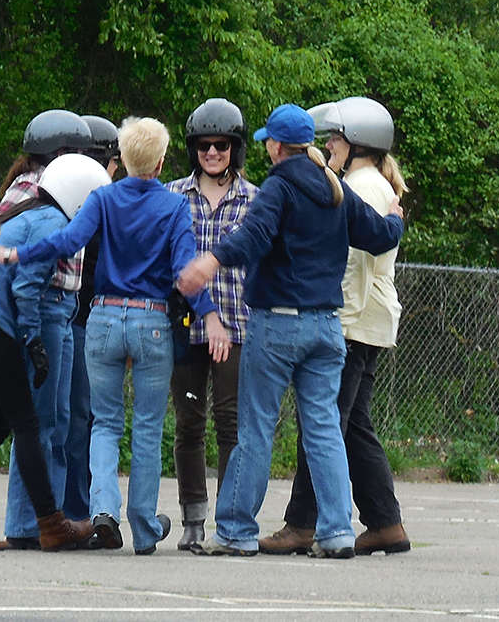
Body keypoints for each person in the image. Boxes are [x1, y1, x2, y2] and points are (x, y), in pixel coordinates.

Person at [0, 116, 222, 555]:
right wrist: (212, 316)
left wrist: (14, 252)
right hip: (150, 322)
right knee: (147, 427)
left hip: (104, 318)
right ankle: (145, 526)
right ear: (162, 162)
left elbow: (67, 240)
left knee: (103, 424)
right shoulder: (173, 206)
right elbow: (187, 273)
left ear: (122, 159)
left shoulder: (104, 199)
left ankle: (103, 511)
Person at [176, 103, 404, 559]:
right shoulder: (333, 186)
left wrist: (211, 260)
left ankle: (238, 531)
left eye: (267, 142)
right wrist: (396, 216)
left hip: (276, 324)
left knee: (256, 428)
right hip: (326, 327)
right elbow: (380, 235)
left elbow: (256, 236)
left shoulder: (279, 187)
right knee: (323, 429)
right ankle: (337, 532)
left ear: (277, 146)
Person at [257, 96, 412, 556]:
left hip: (352, 318)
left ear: (358, 141)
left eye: (336, 138)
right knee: (351, 423)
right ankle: (385, 522)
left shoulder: (360, 186)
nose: (329, 145)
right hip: (372, 318)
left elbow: (351, 265)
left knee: (321, 421)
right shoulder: (367, 183)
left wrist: (334, 315)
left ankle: (304, 522)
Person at [0, 153, 109, 552]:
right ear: (79, 197)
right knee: (29, 425)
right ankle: (51, 524)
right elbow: (26, 289)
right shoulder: (53, 222)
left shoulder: (13, 213)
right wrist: (33, 341)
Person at [0, 110, 92, 549]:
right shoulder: (35, 191)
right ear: (59, 153)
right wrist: (30, 333)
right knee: (40, 422)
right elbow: (13, 257)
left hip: (62, 307)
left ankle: (52, 520)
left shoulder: (41, 188)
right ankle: (31, 524)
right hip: (45, 307)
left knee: (59, 419)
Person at [163, 98, 258, 550]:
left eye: (221, 145)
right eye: (204, 146)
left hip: (237, 325)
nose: (212, 153)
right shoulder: (172, 194)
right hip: (185, 325)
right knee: (188, 422)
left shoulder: (255, 199)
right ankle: (192, 520)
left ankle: (230, 520)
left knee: (232, 423)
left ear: (235, 149)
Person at [61, 114, 120, 522]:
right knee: (83, 416)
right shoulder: (103, 200)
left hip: (69, 317)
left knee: (67, 415)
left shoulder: (65, 197)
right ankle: (77, 508)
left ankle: (68, 504)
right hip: (86, 321)